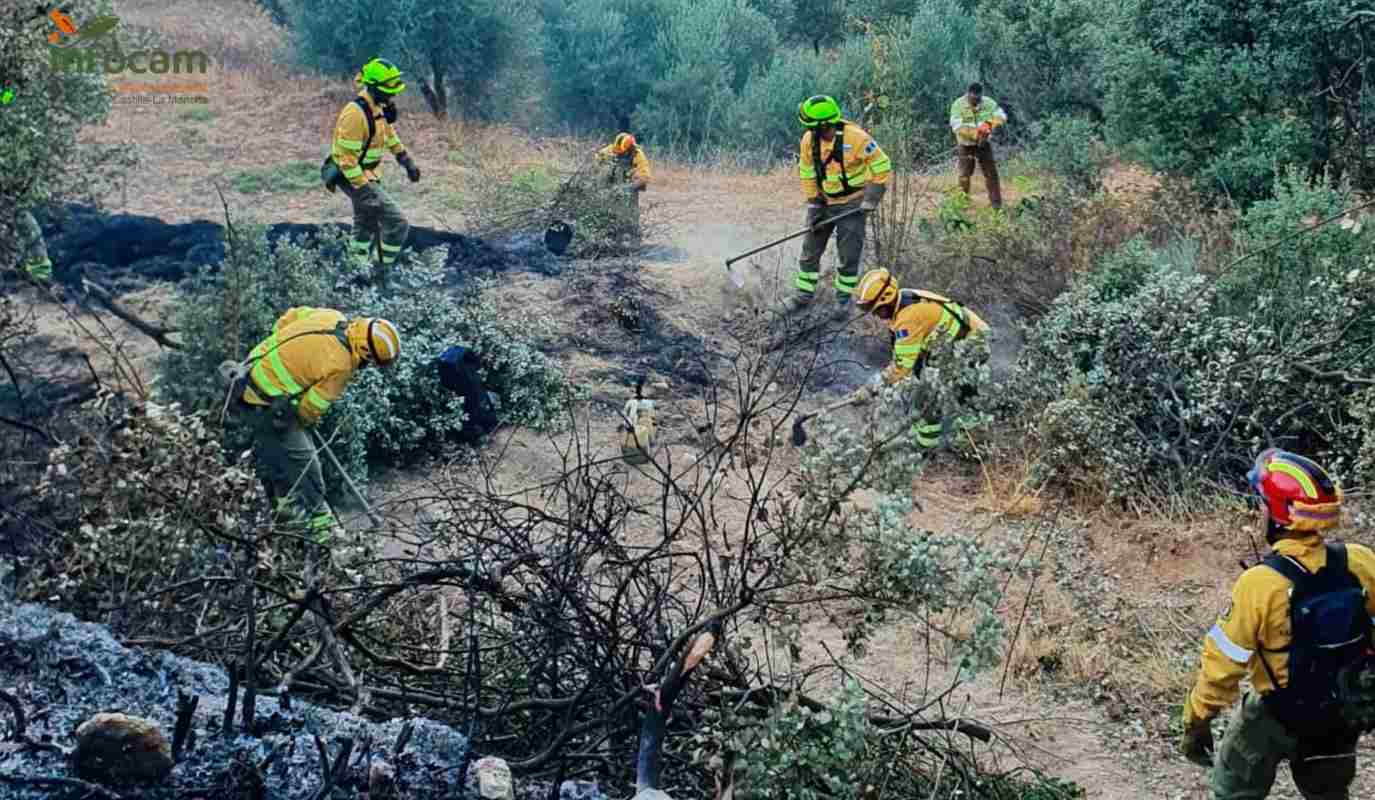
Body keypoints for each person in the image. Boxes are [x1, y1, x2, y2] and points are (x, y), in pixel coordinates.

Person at [1180, 449, 1375, 800]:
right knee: (1330, 793)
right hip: (1339, 716)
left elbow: (1223, 664)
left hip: (1275, 715)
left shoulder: (1262, 583)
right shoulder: (1359, 561)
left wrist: (1197, 719)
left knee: (1232, 791)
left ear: (1278, 514)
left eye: (1263, 504)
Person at [233, 307, 401, 542]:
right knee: (308, 467)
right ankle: (324, 534)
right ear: (365, 350)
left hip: (249, 368)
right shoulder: (342, 365)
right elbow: (310, 409)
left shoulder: (332, 316)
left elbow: (289, 316)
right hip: (263, 402)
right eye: (371, 360)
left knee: (283, 463)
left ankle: (285, 518)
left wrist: (283, 354)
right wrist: (300, 418)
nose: (369, 364)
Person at [850, 268, 990, 448]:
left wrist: (871, 387)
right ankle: (926, 437)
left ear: (886, 299)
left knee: (938, 396)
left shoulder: (909, 317)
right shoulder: (903, 301)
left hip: (972, 345)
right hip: (951, 345)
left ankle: (965, 444)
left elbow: (901, 367)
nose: (875, 315)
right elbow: (910, 359)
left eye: (876, 309)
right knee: (922, 386)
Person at [789, 95, 892, 317]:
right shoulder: (808, 140)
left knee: (849, 255)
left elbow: (882, 165)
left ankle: (842, 300)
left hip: (852, 204)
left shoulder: (857, 139)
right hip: (824, 202)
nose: (807, 129)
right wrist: (814, 203)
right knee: (810, 250)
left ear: (823, 125)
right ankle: (803, 295)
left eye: (810, 125)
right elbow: (807, 173)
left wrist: (871, 198)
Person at [329, 57, 420, 283]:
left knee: (365, 223)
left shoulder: (378, 108)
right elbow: (346, 159)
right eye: (389, 91)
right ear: (373, 87)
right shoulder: (354, 114)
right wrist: (364, 190)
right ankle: (382, 273)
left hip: (367, 175)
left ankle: (355, 274)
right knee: (398, 223)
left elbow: (389, 136)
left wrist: (405, 160)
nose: (393, 96)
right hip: (352, 176)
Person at [948, 82, 1008, 209]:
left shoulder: (988, 102)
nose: (976, 101)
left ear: (982, 95)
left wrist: (989, 124)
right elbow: (956, 127)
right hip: (966, 145)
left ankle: (996, 205)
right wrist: (977, 134)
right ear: (968, 94)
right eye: (973, 99)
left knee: (991, 174)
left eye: (978, 98)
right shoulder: (958, 105)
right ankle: (962, 204)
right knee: (964, 175)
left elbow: (1002, 116)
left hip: (984, 145)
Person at [596, 132, 652, 240]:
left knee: (631, 214)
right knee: (608, 212)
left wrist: (627, 188)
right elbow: (594, 165)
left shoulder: (637, 154)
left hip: (629, 187)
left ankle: (634, 238)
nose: (620, 153)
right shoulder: (608, 151)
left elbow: (645, 177)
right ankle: (608, 235)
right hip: (610, 186)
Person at [14, 209, 52, 283]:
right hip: (31, 246)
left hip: (36, 246)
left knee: (39, 259)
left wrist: (27, 242)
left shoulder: (28, 220)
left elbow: (35, 233)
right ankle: (30, 276)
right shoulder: (23, 222)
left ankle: (43, 280)